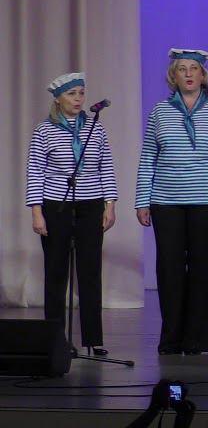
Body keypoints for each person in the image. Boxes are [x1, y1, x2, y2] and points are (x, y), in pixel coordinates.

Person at [136, 49, 208, 355]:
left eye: (194, 68)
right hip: (166, 200)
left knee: (203, 268)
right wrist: (142, 200)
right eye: (182, 69)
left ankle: (197, 338)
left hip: (207, 199)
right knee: (169, 269)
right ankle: (171, 337)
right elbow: (148, 157)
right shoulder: (160, 111)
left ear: (203, 75)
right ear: (174, 76)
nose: (189, 73)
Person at [26, 72, 118, 356]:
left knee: (90, 272)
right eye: (71, 94)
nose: (78, 99)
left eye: (81, 93)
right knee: (56, 272)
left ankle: (93, 339)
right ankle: (55, 338)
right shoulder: (44, 130)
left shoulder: (95, 128)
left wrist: (110, 204)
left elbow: (106, 166)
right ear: (58, 99)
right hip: (57, 205)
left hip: (91, 205)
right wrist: (37, 212)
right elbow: (35, 172)